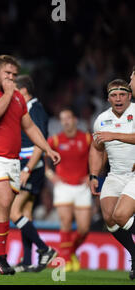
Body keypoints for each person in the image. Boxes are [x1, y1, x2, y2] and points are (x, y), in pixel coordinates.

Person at [0, 55, 60, 275]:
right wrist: (9, 93)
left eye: (13, 75)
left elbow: (30, 128)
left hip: (12, 161)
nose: (10, 78)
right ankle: (1, 259)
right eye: (7, 73)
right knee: (3, 202)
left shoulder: (19, 98)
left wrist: (47, 149)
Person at [89, 78, 135, 280]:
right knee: (109, 219)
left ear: (129, 96)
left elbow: (110, 137)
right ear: (108, 98)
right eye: (114, 95)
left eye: (122, 94)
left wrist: (114, 135)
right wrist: (93, 175)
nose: (118, 99)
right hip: (115, 174)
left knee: (121, 216)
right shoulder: (101, 120)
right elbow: (97, 149)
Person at [46, 108, 92, 272]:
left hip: (82, 187)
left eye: (68, 118)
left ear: (74, 120)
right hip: (63, 186)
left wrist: (93, 175)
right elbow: (43, 154)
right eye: (62, 119)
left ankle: (69, 253)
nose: (65, 121)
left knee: (84, 229)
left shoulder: (87, 138)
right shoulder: (56, 140)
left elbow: (100, 154)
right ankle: (65, 260)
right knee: (65, 222)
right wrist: (50, 174)